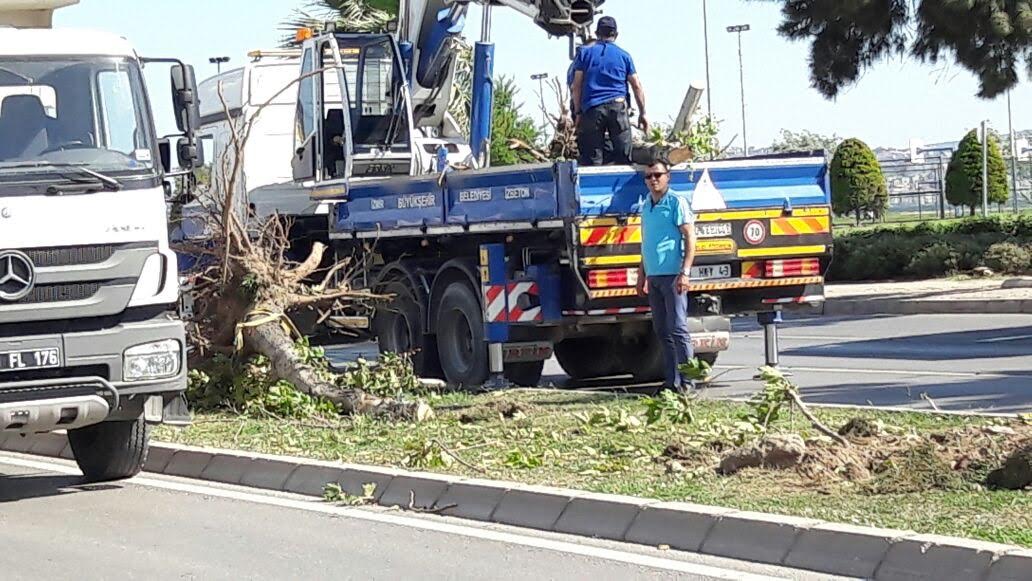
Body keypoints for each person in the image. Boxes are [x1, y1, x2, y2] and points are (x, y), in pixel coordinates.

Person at [635, 158, 697, 391]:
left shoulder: (676, 202)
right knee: (662, 329)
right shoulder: (647, 205)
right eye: (649, 176)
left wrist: (685, 272)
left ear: (667, 177)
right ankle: (671, 382)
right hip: (655, 276)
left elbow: (690, 237)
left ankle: (688, 381)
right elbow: (646, 242)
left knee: (678, 328)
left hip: (673, 275)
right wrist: (642, 275)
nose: (653, 180)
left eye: (657, 175)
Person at [570, 16, 646, 166]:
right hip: (617, 108)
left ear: (597, 33)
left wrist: (578, 113)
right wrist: (643, 113)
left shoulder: (585, 54)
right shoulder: (624, 56)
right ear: (616, 34)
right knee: (623, 158)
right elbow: (636, 85)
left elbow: (576, 86)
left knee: (593, 160)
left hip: (592, 110)